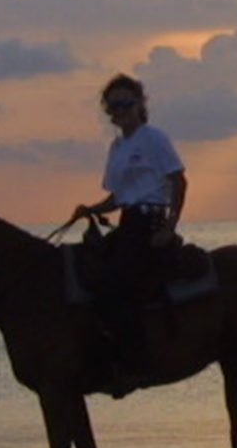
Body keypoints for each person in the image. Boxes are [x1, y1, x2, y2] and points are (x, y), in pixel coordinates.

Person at [69, 73, 188, 386]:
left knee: (116, 283)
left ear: (139, 104)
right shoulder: (117, 147)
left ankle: (137, 362)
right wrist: (91, 210)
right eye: (113, 107)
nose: (120, 111)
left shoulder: (154, 139)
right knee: (86, 269)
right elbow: (117, 198)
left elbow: (178, 182)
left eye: (125, 103)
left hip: (151, 222)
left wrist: (169, 226)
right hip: (128, 223)